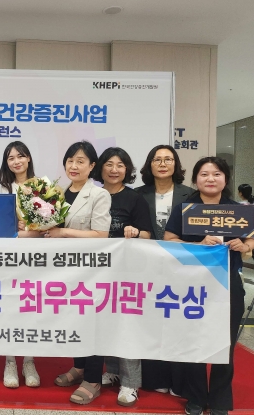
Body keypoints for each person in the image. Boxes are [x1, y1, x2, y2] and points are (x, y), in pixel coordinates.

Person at [164, 157, 253, 415]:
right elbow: (169, 240)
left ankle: (220, 400)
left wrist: (244, 245)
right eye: (204, 174)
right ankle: (196, 397)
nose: (210, 179)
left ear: (225, 179)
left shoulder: (237, 210)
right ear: (196, 179)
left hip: (228, 284)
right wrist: (198, 244)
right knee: (195, 341)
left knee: (225, 343)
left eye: (217, 174)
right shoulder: (185, 208)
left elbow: (252, 240)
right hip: (192, 284)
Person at [45, 141, 111, 405]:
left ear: (92, 166)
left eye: (81, 161)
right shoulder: (57, 193)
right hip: (64, 269)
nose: (74, 166)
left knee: (92, 323)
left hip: (90, 271)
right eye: (70, 160)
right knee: (74, 320)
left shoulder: (99, 195)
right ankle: (79, 367)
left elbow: (101, 235)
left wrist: (63, 232)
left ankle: (93, 379)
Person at [91, 147, 153, 407]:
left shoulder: (135, 198)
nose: (114, 170)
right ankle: (113, 371)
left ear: (127, 170)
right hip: (97, 271)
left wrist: (135, 232)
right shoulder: (93, 195)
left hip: (127, 271)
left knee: (127, 325)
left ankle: (130, 383)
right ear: (100, 168)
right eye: (109, 164)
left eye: (120, 165)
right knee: (104, 322)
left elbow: (148, 234)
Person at [135, 144, 193, 395]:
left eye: (168, 159)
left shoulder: (190, 195)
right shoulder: (138, 194)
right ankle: (154, 378)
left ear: (176, 164)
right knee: (151, 322)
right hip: (147, 268)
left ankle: (179, 381)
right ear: (149, 165)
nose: (162, 164)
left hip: (181, 267)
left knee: (179, 324)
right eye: (157, 159)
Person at [0, 141, 42, 388]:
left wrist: (32, 230)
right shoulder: (2, 191)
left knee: (31, 310)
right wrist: (22, 230)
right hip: (8, 259)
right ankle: (10, 362)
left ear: (28, 159)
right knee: (10, 310)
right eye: (11, 158)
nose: (16, 161)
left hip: (35, 260)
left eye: (20, 156)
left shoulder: (43, 188)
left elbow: (48, 228)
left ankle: (29, 361)